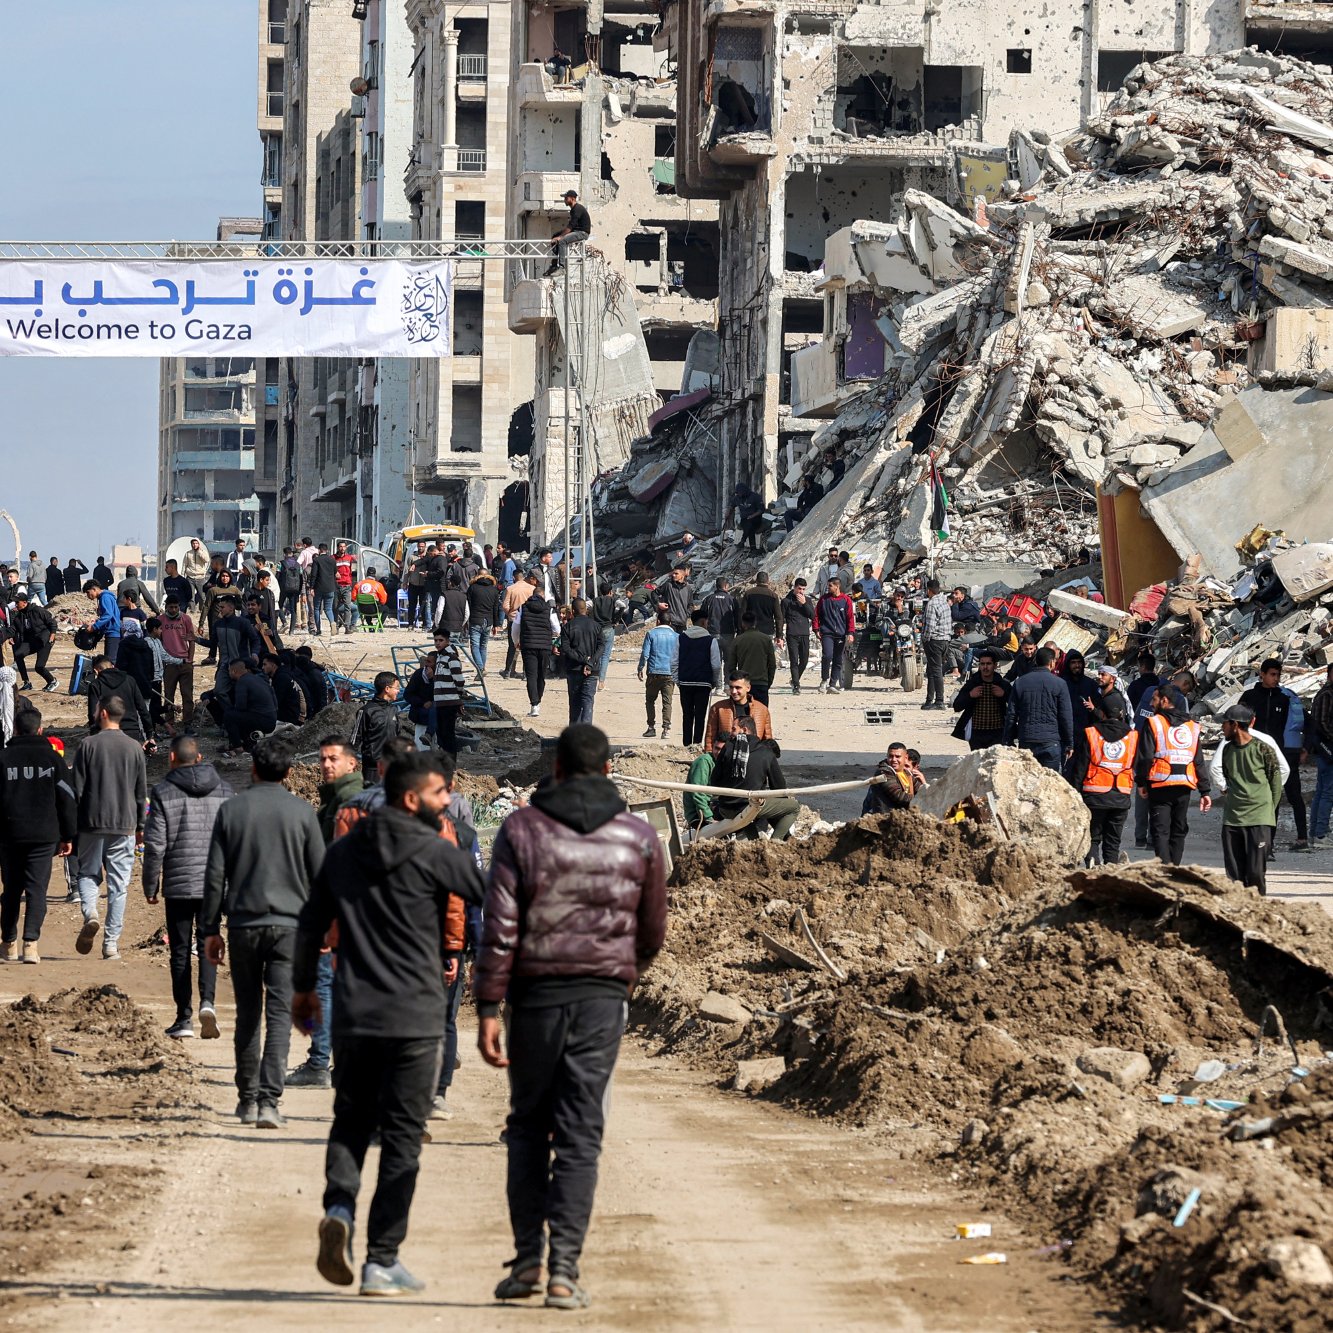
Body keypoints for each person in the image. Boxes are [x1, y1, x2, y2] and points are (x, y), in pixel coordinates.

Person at [477, 724, 666, 1311]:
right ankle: (564, 1273)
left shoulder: (522, 829)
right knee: (582, 1131)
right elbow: (652, 926)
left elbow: (500, 925)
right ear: (610, 771)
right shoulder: (638, 835)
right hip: (602, 997)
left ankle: (528, 1260)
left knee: (528, 1126)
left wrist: (488, 1004)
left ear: (555, 768)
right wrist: (622, 975)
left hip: (533, 997)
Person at [298, 751, 485, 1296]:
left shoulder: (344, 852)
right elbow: (486, 896)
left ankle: (339, 1208)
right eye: (438, 794)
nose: (446, 801)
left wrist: (306, 993)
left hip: (356, 1011)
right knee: (402, 1138)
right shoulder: (436, 850)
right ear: (411, 799)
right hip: (417, 1018)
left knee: (351, 1120)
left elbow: (311, 924)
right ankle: (382, 1260)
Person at [203, 734, 324, 1128]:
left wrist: (210, 929)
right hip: (290, 927)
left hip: (242, 925)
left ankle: (247, 1098)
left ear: (252, 768)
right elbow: (320, 878)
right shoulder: (303, 813)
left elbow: (215, 876)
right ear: (290, 772)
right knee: (278, 1014)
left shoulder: (231, 811)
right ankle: (270, 1100)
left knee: (248, 1013)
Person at [286, 735, 365, 1091]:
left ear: (352, 764)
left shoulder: (346, 804)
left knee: (325, 985)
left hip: (338, 913)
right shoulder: (335, 800)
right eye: (323, 759)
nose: (327, 765)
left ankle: (320, 1061)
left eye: (334, 759)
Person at [141, 735, 233, 1038]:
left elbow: (155, 845)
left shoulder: (163, 792)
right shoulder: (225, 791)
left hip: (179, 883)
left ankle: (184, 1018)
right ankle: (208, 1002)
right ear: (200, 759)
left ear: (171, 758)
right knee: (210, 940)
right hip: (214, 882)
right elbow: (233, 842)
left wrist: (150, 884)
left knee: (179, 950)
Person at [72, 695, 147, 961]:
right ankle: (111, 944)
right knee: (119, 886)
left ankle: (90, 913)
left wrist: (72, 825)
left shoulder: (87, 745)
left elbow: (76, 790)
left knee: (88, 873)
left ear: (103, 713)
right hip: (125, 822)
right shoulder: (134, 748)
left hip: (91, 820)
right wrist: (140, 826)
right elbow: (141, 792)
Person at [0, 707, 75, 965]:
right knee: (36, 890)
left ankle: (8, 943)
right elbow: (67, 799)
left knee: (11, 890)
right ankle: (30, 944)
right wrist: (68, 835)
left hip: (9, 835)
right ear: (40, 730)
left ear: (17, 730)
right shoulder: (53, 760)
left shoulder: (3, 758)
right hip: (44, 835)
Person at [1134, 686, 1212, 865]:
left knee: (1160, 831)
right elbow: (1198, 760)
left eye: (1154, 699)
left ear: (1164, 701)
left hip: (1160, 784)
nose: (1151, 703)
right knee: (1178, 829)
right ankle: (1174, 867)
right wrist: (1205, 791)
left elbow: (1145, 756)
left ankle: (1166, 869)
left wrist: (1141, 782)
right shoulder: (1192, 726)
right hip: (1184, 785)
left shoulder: (1154, 723)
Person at [1212, 704, 1285, 894]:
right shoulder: (1227, 750)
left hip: (1259, 819)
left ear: (1235, 725)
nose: (1222, 728)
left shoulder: (1263, 749)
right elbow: (1228, 778)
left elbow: (1276, 783)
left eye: (1225, 724)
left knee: (1255, 873)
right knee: (1235, 875)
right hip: (1233, 819)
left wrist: (1267, 810)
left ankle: (1258, 912)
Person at [1239, 658, 1310, 851]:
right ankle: (1261, 842)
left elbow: (1305, 722)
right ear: (1261, 674)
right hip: (1254, 754)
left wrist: (1305, 748)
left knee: (1288, 795)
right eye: (1272, 674)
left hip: (1281, 754)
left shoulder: (1284, 698)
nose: (1276, 678)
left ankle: (1295, 840)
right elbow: (1238, 722)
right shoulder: (1250, 696)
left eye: (1278, 675)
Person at [1070, 698, 1138, 866]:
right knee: (1113, 841)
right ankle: (1111, 870)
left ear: (1102, 713)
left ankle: (1093, 865)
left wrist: (1075, 792)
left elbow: (1080, 766)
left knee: (1093, 837)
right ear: (1122, 714)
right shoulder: (1132, 736)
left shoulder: (1092, 733)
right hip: (1121, 796)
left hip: (1094, 795)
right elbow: (1137, 765)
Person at [712, 715, 799, 840]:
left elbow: (714, 780)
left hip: (725, 808)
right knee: (794, 807)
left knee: (756, 810)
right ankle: (775, 843)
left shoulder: (728, 748)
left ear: (745, 730)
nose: (730, 733)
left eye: (733, 729)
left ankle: (756, 843)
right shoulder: (766, 752)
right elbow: (779, 788)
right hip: (749, 806)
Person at [1004, 646, 1073, 771]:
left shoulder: (1021, 682)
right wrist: (1069, 743)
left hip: (1026, 739)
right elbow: (1066, 716)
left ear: (1036, 661)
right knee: (1048, 783)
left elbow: (1011, 714)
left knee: (1027, 782)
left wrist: (1007, 740)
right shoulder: (1060, 684)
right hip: (1051, 741)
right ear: (1052, 662)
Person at [678, 607, 722, 747]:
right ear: (704, 622)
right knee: (700, 716)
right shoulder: (711, 641)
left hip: (685, 682)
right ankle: (696, 744)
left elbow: (673, 662)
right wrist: (715, 681)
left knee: (687, 715)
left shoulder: (681, 638)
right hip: (704, 683)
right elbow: (716, 665)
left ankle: (686, 744)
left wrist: (678, 680)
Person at [87, 654, 153, 745]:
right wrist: (149, 735)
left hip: (106, 734)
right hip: (131, 732)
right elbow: (143, 709)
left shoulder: (96, 685)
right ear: (113, 666)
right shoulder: (130, 680)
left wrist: (94, 735)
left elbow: (93, 714)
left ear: (96, 671)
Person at [951, 650, 1011, 750]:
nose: (985, 667)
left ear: (995, 665)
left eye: (988, 664)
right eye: (982, 664)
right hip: (976, 733)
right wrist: (970, 695)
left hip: (998, 732)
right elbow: (957, 706)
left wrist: (1004, 694)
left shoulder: (1002, 684)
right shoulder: (973, 683)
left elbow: (1016, 704)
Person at [704, 673, 773, 755]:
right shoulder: (718, 708)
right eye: (731, 687)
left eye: (738, 688)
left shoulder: (762, 710)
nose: (733, 691)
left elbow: (768, 740)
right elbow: (710, 737)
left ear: (748, 688)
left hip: (753, 758)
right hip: (726, 758)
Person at [221, 660, 278, 758]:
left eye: (229, 671)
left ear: (233, 671)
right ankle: (247, 745)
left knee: (229, 715)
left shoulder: (242, 682)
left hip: (263, 720)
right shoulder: (257, 679)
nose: (229, 673)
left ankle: (237, 746)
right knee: (241, 716)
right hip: (271, 718)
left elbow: (240, 706)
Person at [637, 610, 679, 739]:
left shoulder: (651, 633)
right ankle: (666, 729)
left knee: (650, 700)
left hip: (654, 672)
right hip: (670, 673)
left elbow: (645, 654)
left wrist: (640, 668)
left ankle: (651, 727)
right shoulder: (677, 636)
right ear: (670, 623)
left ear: (658, 621)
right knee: (667, 702)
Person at [518, 576, 556, 717]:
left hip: (528, 645)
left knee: (531, 676)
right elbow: (556, 627)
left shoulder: (523, 607)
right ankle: (538, 700)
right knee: (541, 675)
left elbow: (516, 627)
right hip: (545, 645)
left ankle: (534, 704)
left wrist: (517, 641)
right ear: (543, 596)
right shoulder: (549, 609)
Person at [560, 598, 601, 726]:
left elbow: (566, 649)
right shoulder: (596, 626)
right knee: (588, 702)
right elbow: (602, 647)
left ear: (572, 611)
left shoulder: (568, 627)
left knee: (575, 703)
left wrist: (582, 660)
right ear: (586, 610)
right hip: (592, 670)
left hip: (574, 669)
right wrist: (589, 662)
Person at [10, 590, 58, 693]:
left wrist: (52, 636)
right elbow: (13, 629)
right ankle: (26, 682)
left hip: (44, 640)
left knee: (39, 667)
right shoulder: (18, 616)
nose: (16, 604)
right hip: (31, 641)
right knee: (18, 654)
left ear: (24, 602)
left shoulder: (38, 610)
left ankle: (52, 681)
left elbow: (52, 622)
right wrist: (10, 637)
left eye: (17, 602)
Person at [431, 630, 471, 754]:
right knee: (441, 734)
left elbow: (459, 680)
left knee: (447, 735)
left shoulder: (451, 658)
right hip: (440, 702)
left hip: (449, 703)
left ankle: (450, 765)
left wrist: (456, 696)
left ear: (447, 641)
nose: (437, 643)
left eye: (440, 640)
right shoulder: (440, 657)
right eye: (436, 640)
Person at [814, 577, 855, 695]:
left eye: (830, 586)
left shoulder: (846, 600)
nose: (828, 588)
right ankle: (824, 680)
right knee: (827, 655)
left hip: (841, 634)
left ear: (837, 586)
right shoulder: (823, 599)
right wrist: (816, 629)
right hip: (827, 633)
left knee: (838, 659)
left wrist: (850, 633)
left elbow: (850, 618)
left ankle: (832, 685)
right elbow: (816, 615)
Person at [1308, 663, 1333, 847]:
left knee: (1321, 791)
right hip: (1327, 749)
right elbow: (1322, 723)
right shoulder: (1327, 695)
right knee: (1327, 793)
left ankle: (1316, 831)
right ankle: (1320, 834)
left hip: (1324, 749)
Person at [862, 742, 924, 815]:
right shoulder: (884, 772)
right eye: (891, 756)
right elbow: (899, 797)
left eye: (897, 756)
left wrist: (923, 782)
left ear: (906, 757)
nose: (894, 760)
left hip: (901, 817)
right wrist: (921, 800)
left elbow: (921, 790)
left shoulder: (907, 773)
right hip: (884, 819)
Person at [501, 566, 537, 680]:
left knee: (512, 646)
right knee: (528, 647)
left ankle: (508, 671)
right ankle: (526, 673)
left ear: (513, 577)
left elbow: (505, 606)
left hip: (514, 619)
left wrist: (510, 613)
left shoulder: (510, 589)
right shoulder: (532, 588)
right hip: (529, 620)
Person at [921, 579, 952, 709]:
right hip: (945, 640)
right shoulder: (944, 601)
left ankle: (939, 700)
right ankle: (929, 699)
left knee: (936, 671)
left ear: (928, 590)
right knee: (932, 670)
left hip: (935, 641)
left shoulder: (932, 604)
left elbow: (930, 626)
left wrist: (924, 638)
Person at [780, 579, 814, 694]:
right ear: (794, 588)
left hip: (804, 633)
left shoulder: (807, 600)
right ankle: (796, 685)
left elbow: (812, 616)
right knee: (794, 660)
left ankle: (795, 679)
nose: (801, 591)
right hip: (792, 634)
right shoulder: (786, 601)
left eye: (803, 589)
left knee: (804, 660)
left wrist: (804, 603)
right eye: (799, 588)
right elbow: (781, 618)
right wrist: (779, 635)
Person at [466, 566, 503, 673]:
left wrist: (466, 621)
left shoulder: (472, 588)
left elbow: (468, 605)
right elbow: (496, 608)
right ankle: (481, 669)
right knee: (483, 646)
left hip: (475, 619)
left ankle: (481, 668)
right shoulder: (494, 589)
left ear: (478, 575)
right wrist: (496, 625)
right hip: (488, 621)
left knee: (474, 646)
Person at [546, 189, 592, 274]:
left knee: (562, 241)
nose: (564, 200)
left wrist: (560, 237)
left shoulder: (577, 208)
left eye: (566, 198)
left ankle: (562, 267)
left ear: (573, 199)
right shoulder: (573, 210)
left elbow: (571, 226)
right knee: (555, 236)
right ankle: (554, 265)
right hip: (577, 231)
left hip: (582, 233)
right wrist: (558, 236)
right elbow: (571, 226)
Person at [84, 578, 123, 665]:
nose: (87, 595)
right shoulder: (105, 597)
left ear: (94, 589)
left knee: (110, 662)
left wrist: (94, 627)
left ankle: (112, 678)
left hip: (113, 632)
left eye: (88, 592)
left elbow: (108, 615)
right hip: (111, 631)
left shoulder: (105, 597)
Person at [704, 577, 738, 669]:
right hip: (728, 634)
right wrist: (739, 632)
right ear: (726, 586)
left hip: (713, 633)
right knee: (729, 660)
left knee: (715, 661)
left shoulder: (709, 599)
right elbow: (737, 617)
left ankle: (717, 682)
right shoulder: (732, 600)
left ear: (716, 586)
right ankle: (727, 682)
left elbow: (702, 617)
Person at [738, 571, 782, 642]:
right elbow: (778, 617)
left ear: (756, 581)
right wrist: (779, 635)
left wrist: (741, 631)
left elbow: (742, 613)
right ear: (768, 581)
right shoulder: (773, 596)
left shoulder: (748, 594)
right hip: (767, 632)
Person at [591, 582, 618, 688]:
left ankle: (593, 676)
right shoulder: (612, 600)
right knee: (605, 656)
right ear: (610, 592)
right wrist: (616, 618)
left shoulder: (595, 600)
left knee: (596, 654)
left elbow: (586, 605)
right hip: (608, 628)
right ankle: (601, 681)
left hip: (597, 629)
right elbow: (623, 605)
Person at [1059, 650, 1100, 717]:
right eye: (1073, 662)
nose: (1077, 665)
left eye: (1079, 662)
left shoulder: (1091, 684)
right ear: (1068, 664)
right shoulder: (1061, 684)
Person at [310, 544, 338, 636]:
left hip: (319, 587)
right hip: (330, 587)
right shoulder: (332, 560)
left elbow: (314, 575)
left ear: (319, 550)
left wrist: (311, 587)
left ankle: (318, 629)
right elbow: (335, 572)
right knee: (328, 608)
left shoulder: (316, 560)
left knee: (317, 609)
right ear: (327, 550)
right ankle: (332, 622)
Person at [730, 482, 764, 554]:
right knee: (748, 526)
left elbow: (761, 510)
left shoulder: (755, 497)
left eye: (739, 493)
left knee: (750, 525)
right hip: (745, 520)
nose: (738, 494)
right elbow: (731, 506)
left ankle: (742, 541)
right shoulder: (737, 498)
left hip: (756, 519)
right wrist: (727, 513)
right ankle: (753, 548)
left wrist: (753, 515)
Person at [182, 539, 210, 606]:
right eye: (193, 543)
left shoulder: (203, 552)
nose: (194, 545)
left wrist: (199, 552)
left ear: (199, 544)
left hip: (200, 577)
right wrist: (182, 576)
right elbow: (184, 565)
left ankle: (202, 610)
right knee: (191, 597)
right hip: (190, 577)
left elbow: (206, 560)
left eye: (196, 543)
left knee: (202, 596)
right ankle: (192, 611)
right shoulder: (188, 553)